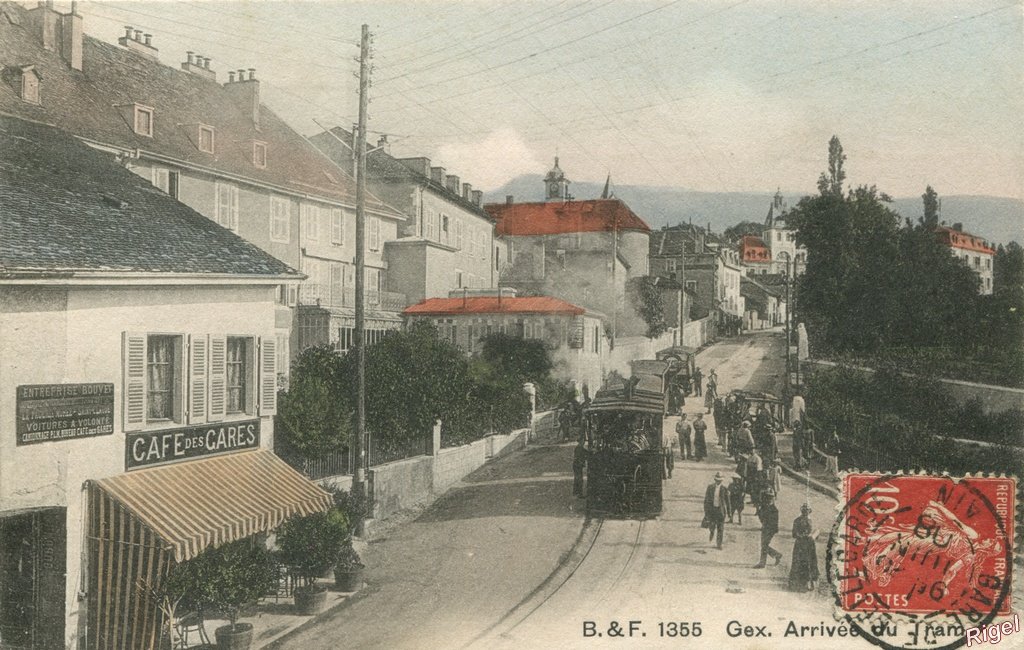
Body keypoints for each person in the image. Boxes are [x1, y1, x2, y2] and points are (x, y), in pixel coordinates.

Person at [789, 504, 819, 591]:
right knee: (800, 562)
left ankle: (810, 583)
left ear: (809, 512)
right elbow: (794, 534)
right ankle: (797, 584)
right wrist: (802, 536)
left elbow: (817, 531)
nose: (805, 513)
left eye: (807, 511)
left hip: (810, 544)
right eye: (804, 511)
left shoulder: (812, 520)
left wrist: (814, 535)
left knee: (810, 562)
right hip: (800, 544)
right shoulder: (797, 521)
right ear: (801, 511)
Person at [754, 489, 783, 568]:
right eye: (767, 497)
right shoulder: (764, 506)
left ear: (773, 498)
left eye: (770, 497)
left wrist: (772, 530)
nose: (768, 499)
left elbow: (774, 522)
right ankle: (776, 555)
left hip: (770, 529)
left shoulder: (774, 510)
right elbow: (761, 517)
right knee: (764, 545)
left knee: (764, 545)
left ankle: (763, 563)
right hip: (765, 528)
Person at [703, 472, 729, 549]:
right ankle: (712, 532)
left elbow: (728, 501)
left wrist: (730, 513)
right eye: (717, 480)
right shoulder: (710, 487)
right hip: (712, 511)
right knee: (712, 525)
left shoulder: (724, 489)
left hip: (720, 511)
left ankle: (719, 544)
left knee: (720, 528)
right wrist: (706, 511)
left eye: (720, 480)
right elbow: (706, 500)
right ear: (715, 480)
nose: (718, 481)